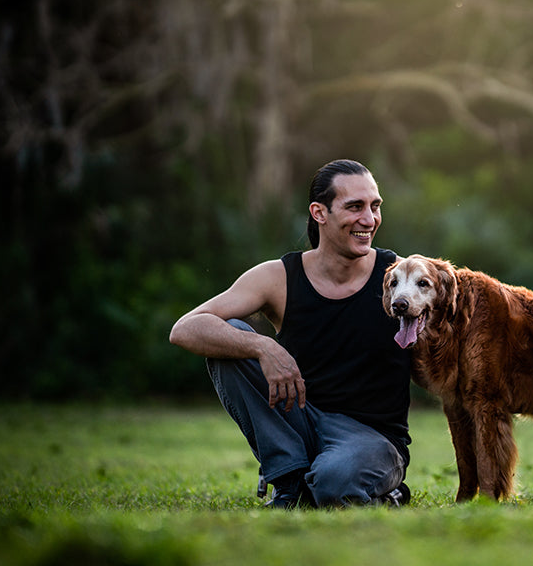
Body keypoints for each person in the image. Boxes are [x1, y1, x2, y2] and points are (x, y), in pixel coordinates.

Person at [169, 159, 412, 509]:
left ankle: (365, 488)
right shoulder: (279, 277)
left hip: (371, 438)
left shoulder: (400, 276)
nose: (369, 219)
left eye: (375, 207)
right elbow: (185, 328)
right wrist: (262, 346)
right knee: (231, 336)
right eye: (355, 207)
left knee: (334, 482)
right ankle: (289, 481)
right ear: (319, 212)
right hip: (299, 423)